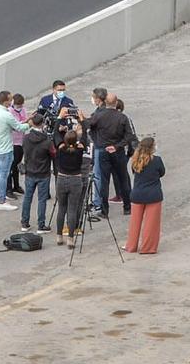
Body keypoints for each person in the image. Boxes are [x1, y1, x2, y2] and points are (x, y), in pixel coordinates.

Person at [84, 88, 133, 216]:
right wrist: (117, 146)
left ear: (105, 102)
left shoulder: (99, 116)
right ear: (116, 103)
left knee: (104, 181)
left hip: (103, 150)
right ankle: (127, 207)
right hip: (118, 151)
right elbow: (129, 136)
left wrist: (81, 118)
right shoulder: (122, 117)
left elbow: (88, 125)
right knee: (123, 179)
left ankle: (104, 210)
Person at [124, 136, 165, 254]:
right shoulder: (156, 160)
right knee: (151, 223)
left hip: (137, 194)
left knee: (134, 222)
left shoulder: (135, 160)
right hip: (153, 195)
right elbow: (162, 172)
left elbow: (133, 172)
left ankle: (131, 246)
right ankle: (147, 247)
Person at [51, 123, 89, 245]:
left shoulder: (61, 148)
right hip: (75, 180)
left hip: (62, 179)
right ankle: (71, 238)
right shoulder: (79, 149)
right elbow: (84, 137)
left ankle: (59, 235)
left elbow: (55, 134)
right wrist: (82, 121)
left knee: (61, 208)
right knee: (72, 209)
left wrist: (58, 119)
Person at [18, 112, 55, 232]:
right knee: (42, 199)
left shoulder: (26, 138)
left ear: (32, 123)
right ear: (43, 124)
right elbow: (53, 154)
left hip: (29, 172)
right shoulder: (47, 141)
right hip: (43, 172)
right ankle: (41, 225)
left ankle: (24, 222)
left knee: (27, 198)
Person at [6, 91, 31, 198]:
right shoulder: (9, 112)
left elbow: (24, 123)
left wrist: (26, 121)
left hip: (21, 141)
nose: (20, 107)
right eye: (18, 105)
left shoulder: (23, 110)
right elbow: (16, 125)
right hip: (13, 142)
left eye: (21, 105)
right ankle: (8, 188)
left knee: (17, 164)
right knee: (10, 166)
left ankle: (16, 185)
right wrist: (27, 121)